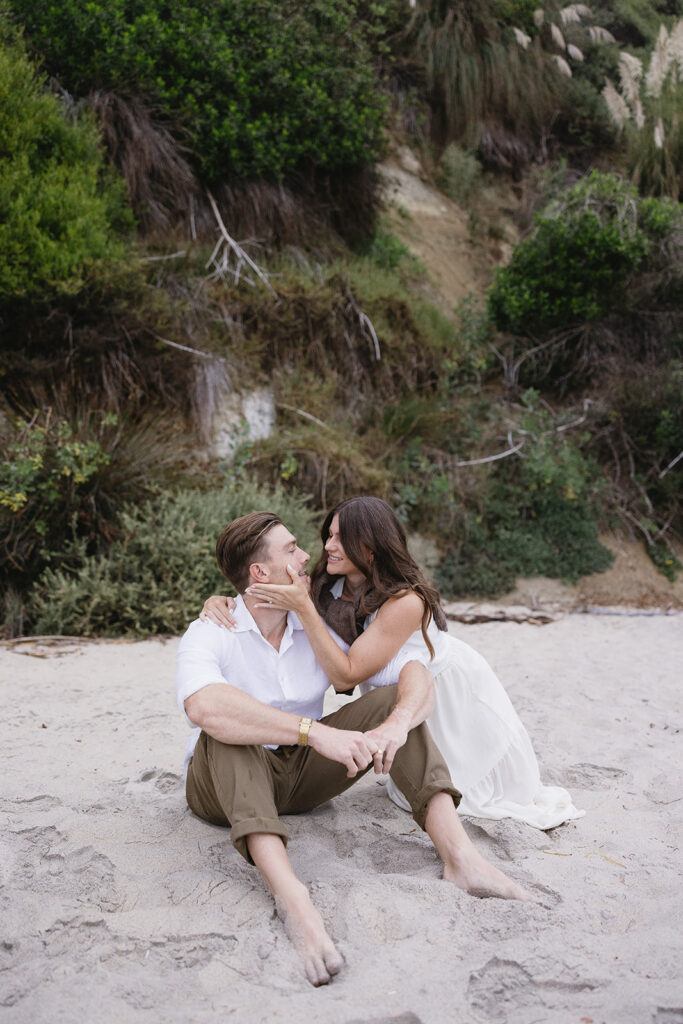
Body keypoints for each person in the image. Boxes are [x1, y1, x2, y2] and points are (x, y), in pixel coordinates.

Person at [177, 510, 530, 988]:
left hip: (297, 779)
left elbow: (411, 672)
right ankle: (293, 900)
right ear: (259, 573)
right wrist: (313, 731)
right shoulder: (211, 629)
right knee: (228, 729)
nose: (309, 556)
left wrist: (398, 724)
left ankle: (460, 858)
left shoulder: (319, 628)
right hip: (220, 789)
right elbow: (204, 706)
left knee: (391, 709)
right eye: (292, 550)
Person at [202, 496, 584, 831]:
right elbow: (265, 593)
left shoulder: (406, 601)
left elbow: (346, 673)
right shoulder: (328, 581)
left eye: (340, 538)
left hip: (441, 685)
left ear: (369, 548)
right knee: (409, 780)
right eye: (329, 535)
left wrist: (303, 607)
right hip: (387, 687)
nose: (328, 546)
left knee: (471, 790)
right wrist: (222, 600)